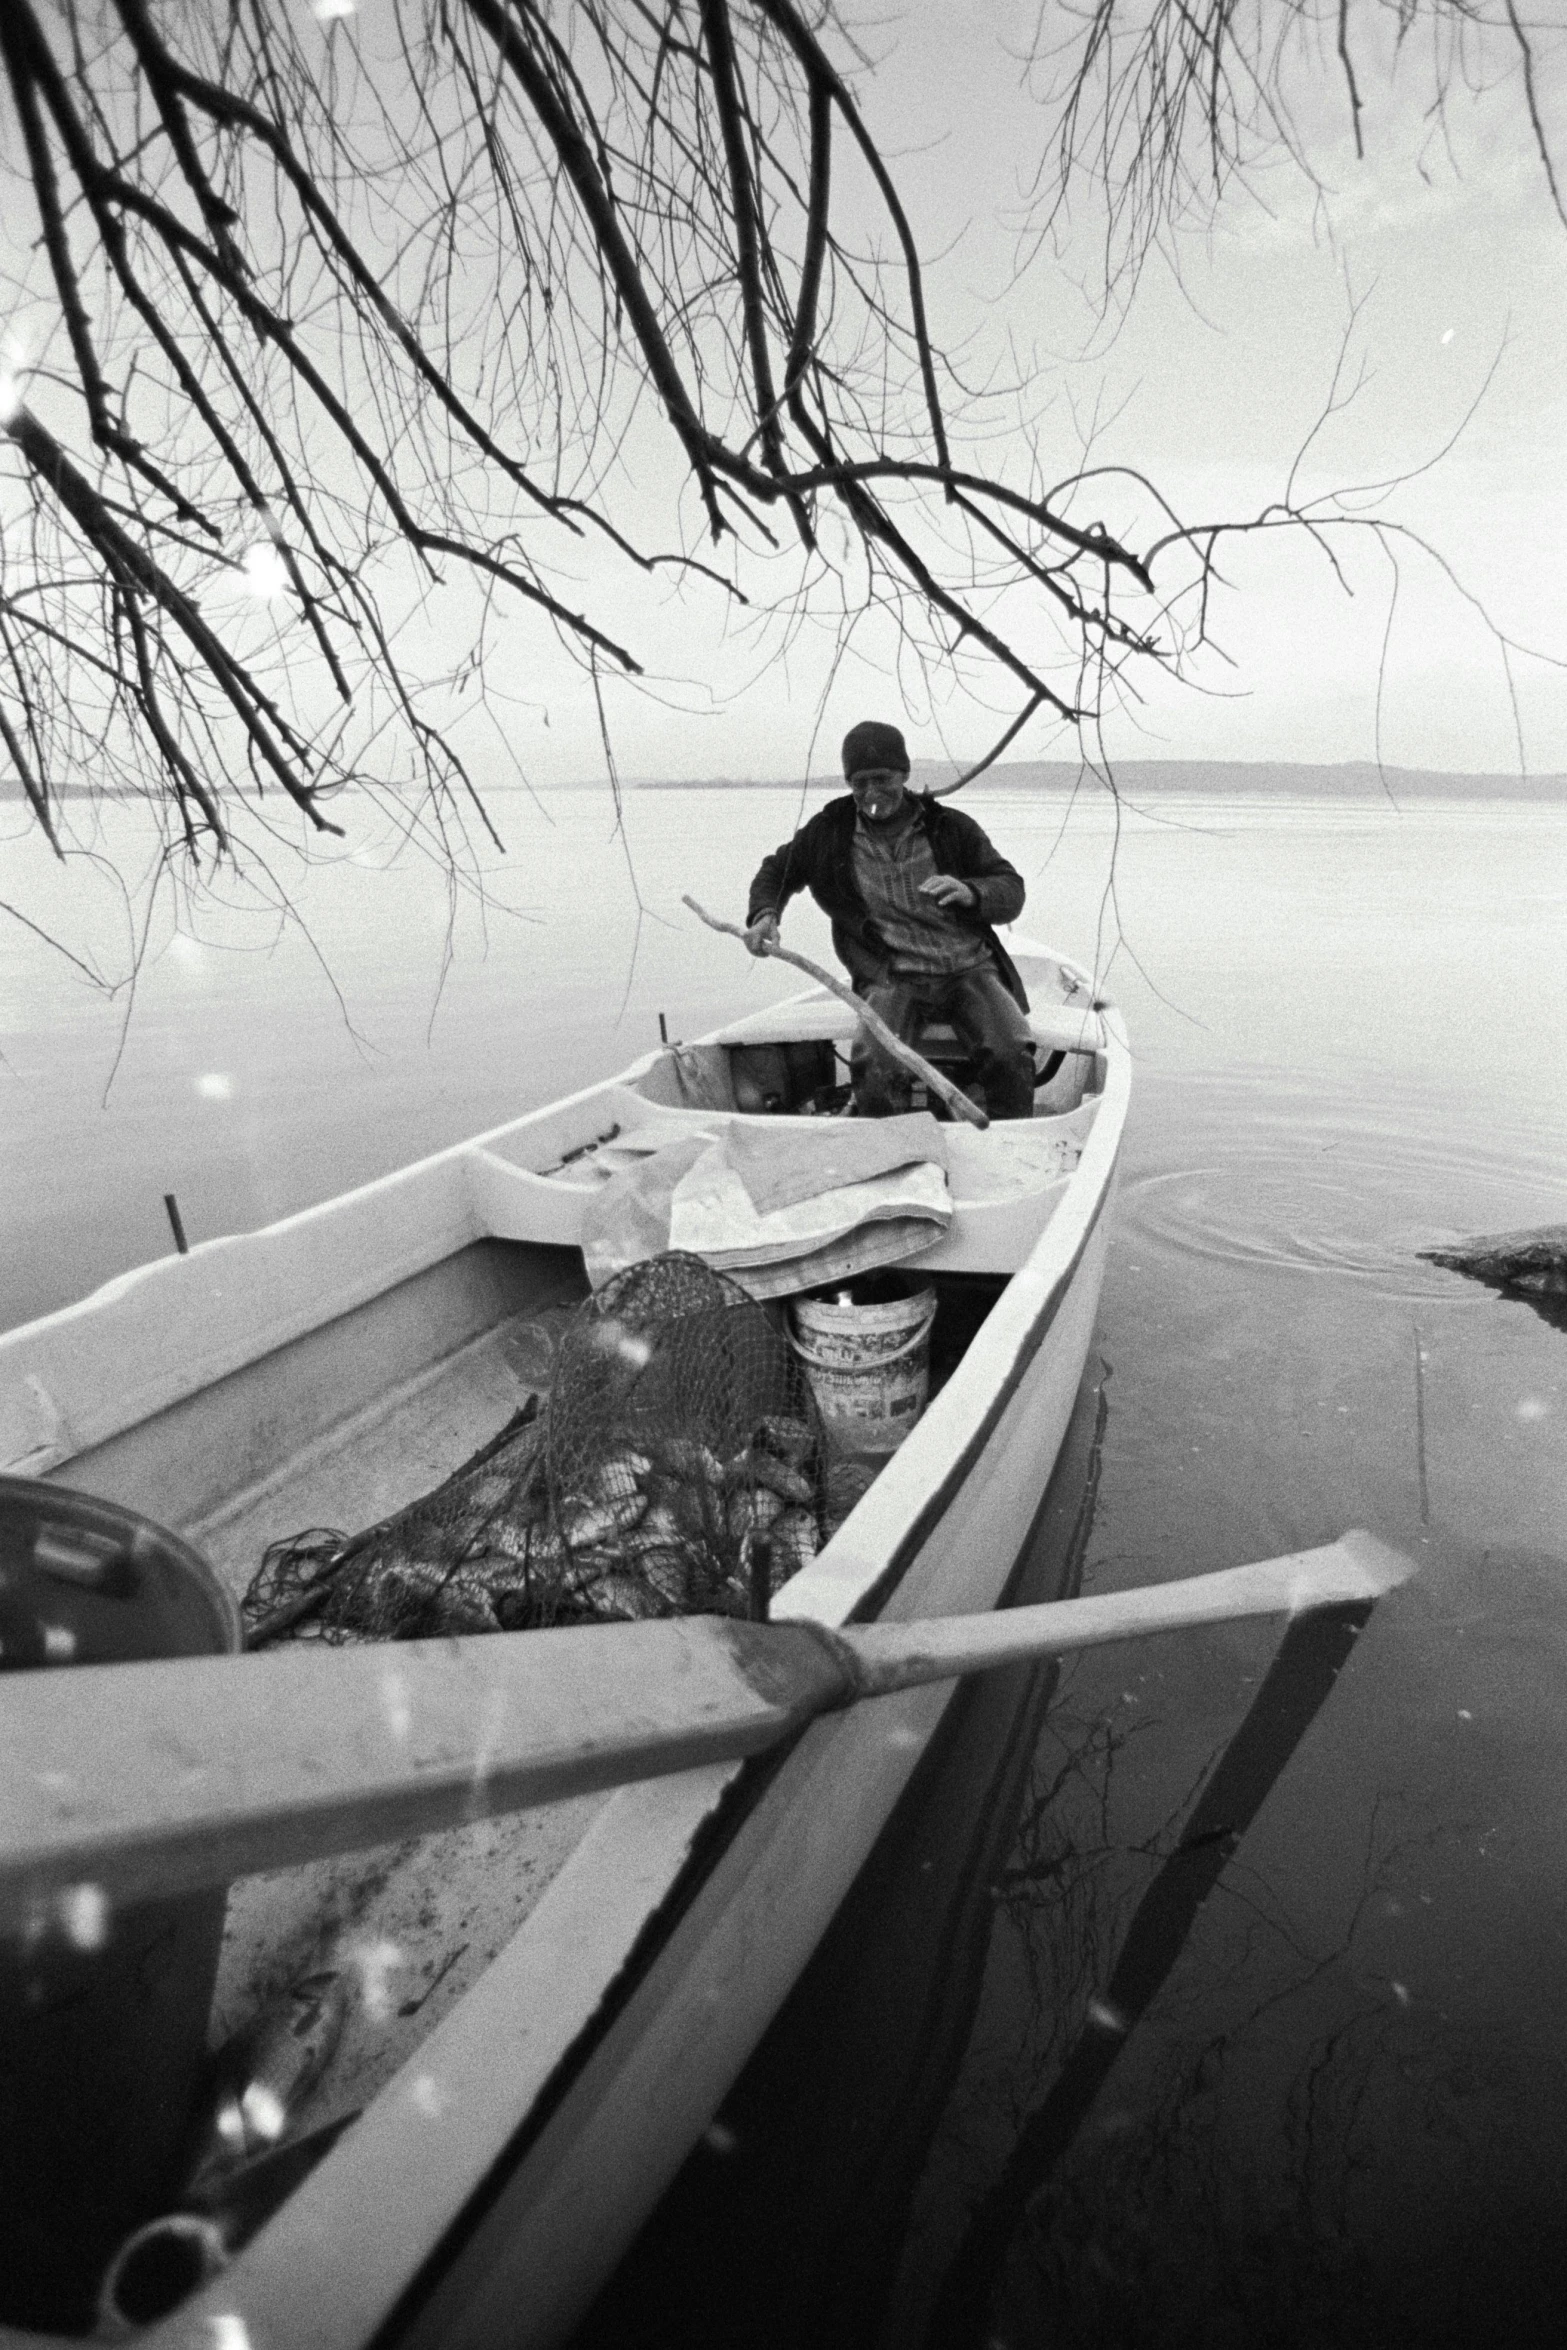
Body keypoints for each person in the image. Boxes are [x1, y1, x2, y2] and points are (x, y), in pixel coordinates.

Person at [744, 719, 1037, 1118]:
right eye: (859, 783)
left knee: (1011, 1052)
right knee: (874, 1065)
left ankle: (1008, 1146)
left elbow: (1011, 889)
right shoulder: (829, 832)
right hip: (891, 974)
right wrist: (765, 914)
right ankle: (892, 1154)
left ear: (904, 774)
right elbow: (777, 871)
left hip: (967, 968)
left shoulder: (951, 827)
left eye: (882, 779)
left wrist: (972, 892)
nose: (871, 792)